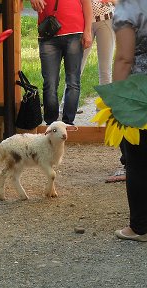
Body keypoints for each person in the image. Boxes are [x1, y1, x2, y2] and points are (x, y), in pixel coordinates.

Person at [111, 0, 147, 241]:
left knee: (137, 158)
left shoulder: (130, 7)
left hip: (139, 91)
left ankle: (140, 227)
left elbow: (124, 58)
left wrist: (116, 100)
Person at [30, 0, 92, 125]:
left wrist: (88, 31)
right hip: (48, 34)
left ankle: (68, 123)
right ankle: (51, 124)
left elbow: (86, 3)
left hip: (75, 32)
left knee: (73, 81)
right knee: (50, 82)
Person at [60, 0, 116, 115]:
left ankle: (103, 108)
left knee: (105, 69)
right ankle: (67, 105)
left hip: (106, 20)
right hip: (82, 22)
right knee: (76, 66)